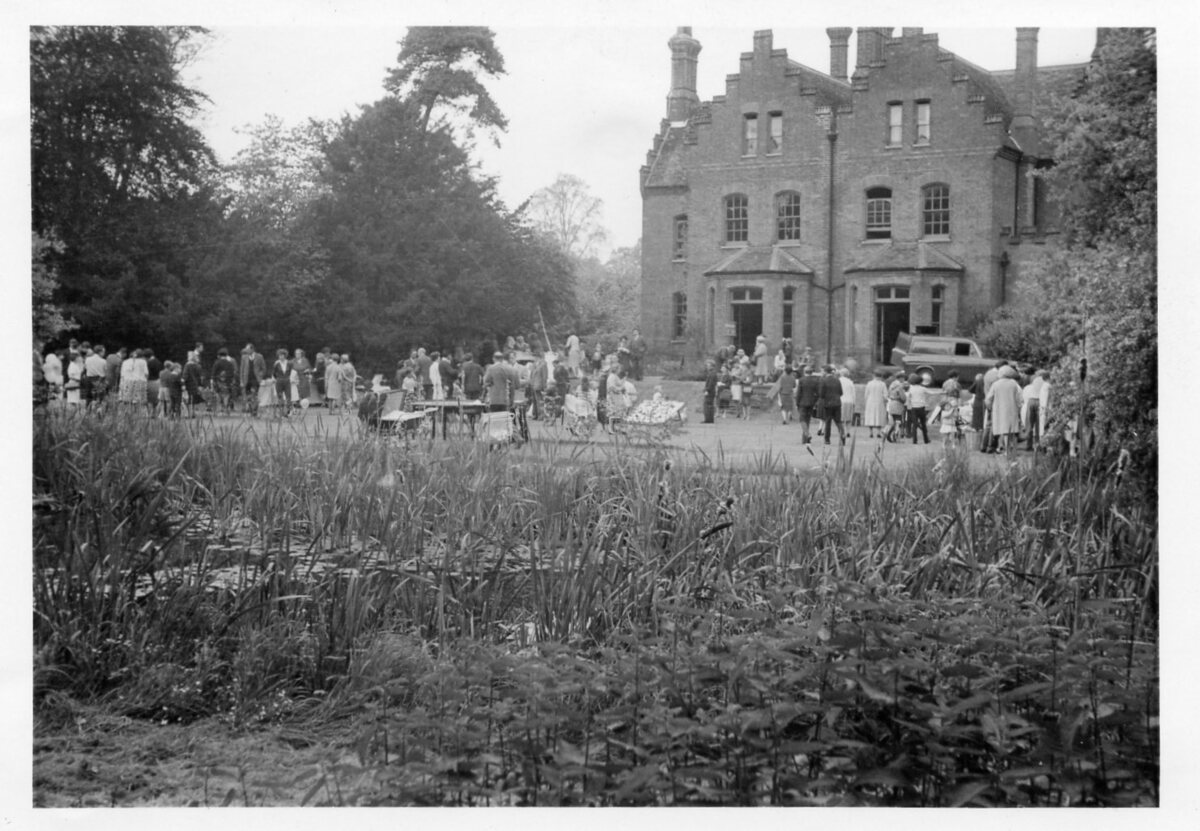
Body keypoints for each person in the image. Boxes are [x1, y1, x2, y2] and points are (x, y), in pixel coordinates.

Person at [986, 365, 1023, 455]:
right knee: (1012, 431)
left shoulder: (996, 384)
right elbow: (1019, 399)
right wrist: (1019, 408)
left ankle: (1006, 451)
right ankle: (1011, 450)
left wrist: (990, 408)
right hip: (1012, 410)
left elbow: (988, 399)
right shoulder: (1014, 384)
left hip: (999, 410)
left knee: (1004, 431)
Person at [819, 365, 847, 445]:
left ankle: (827, 439)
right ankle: (842, 435)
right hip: (837, 403)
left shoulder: (824, 381)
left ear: (825, 371)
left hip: (828, 403)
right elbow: (841, 392)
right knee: (838, 421)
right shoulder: (837, 380)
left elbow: (821, 394)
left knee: (828, 421)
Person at [794, 365, 822, 444]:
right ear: (812, 372)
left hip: (802, 402)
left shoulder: (802, 380)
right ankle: (805, 440)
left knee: (802, 419)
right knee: (807, 420)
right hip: (811, 403)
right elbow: (818, 393)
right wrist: (815, 401)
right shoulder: (816, 380)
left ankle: (807, 434)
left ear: (804, 372)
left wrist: (797, 402)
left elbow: (799, 393)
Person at [1021, 369, 1047, 451]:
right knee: (1039, 425)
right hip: (1040, 401)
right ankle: (1037, 445)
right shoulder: (1045, 382)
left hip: (1031, 401)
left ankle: (1028, 445)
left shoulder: (1035, 380)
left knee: (1029, 424)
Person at [211, 348, 239, 415]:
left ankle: (220, 410)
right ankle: (226, 409)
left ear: (219, 355)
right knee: (226, 396)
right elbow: (232, 373)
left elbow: (213, 373)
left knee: (219, 395)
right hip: (227, 383)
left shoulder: (216, 363)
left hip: (218, 382)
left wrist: (213, 381)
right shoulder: (230, 363)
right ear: (226, 355)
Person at [863, 367, 889, 439]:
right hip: (879, 401)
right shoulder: (882, 384)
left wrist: (866, 401)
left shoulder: (869, 383)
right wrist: (886, 400)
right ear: (880, 376)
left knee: (870, 416)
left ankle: (871, 432)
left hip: (870, 401)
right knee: (879, 416)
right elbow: (885, 394)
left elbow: (866, 394)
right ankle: (878, 432)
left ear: (873, 375)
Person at [907, 373, 931, 445]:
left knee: (914, 425)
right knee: (923, 424)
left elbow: (909, 398)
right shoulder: (922, 388)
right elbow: (931, 393)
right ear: (920, 381)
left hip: (914, 408)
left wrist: (909, 405)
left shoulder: (911, 388)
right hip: (921, 407)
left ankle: (914, 440)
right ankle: (926, 439)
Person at [884, 372, 908, 442]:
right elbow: (903, 397)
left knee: (894, 421)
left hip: (891, 404)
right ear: (901, 378)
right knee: (898, 422)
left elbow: (888, 394)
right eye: (903, 378)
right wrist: (904, 399)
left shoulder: (892, 385)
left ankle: (889, 433)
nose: (904, 380)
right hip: (898, 405)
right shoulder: (900, 386)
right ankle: (895, 436)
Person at [182, 351, 205, 418]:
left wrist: (183, 382)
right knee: (194, 399)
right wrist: (200, 385)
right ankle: (193, 413)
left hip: (189, 384)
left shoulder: (187, 365)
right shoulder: (198, 366)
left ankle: (190, 414)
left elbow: (185, 375)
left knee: (189, 400)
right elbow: (200, 377)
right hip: (196, 384)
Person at [272, 349, 291, 417]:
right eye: (279, 355)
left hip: (287, 381)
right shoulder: (276, 363)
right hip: (279, 381)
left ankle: (288, 412)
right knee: (280, 397)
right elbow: (274, 373)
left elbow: (291, 372)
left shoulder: (289, 363)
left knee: (288, 396)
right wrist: (276, 379)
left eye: (282, 355)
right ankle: (281, 412)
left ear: (285, 356)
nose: (281, 357)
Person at [702, 359, 718, 424]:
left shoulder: (712, 374)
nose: (707, 367)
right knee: (709, 405)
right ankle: (709, 419)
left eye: (708, 365)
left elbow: (711, 384)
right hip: (711, 391)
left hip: (710, 391)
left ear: (712, 366)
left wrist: (707, 390)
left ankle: (708, 419)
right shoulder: (712, 373)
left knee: (707, 405)